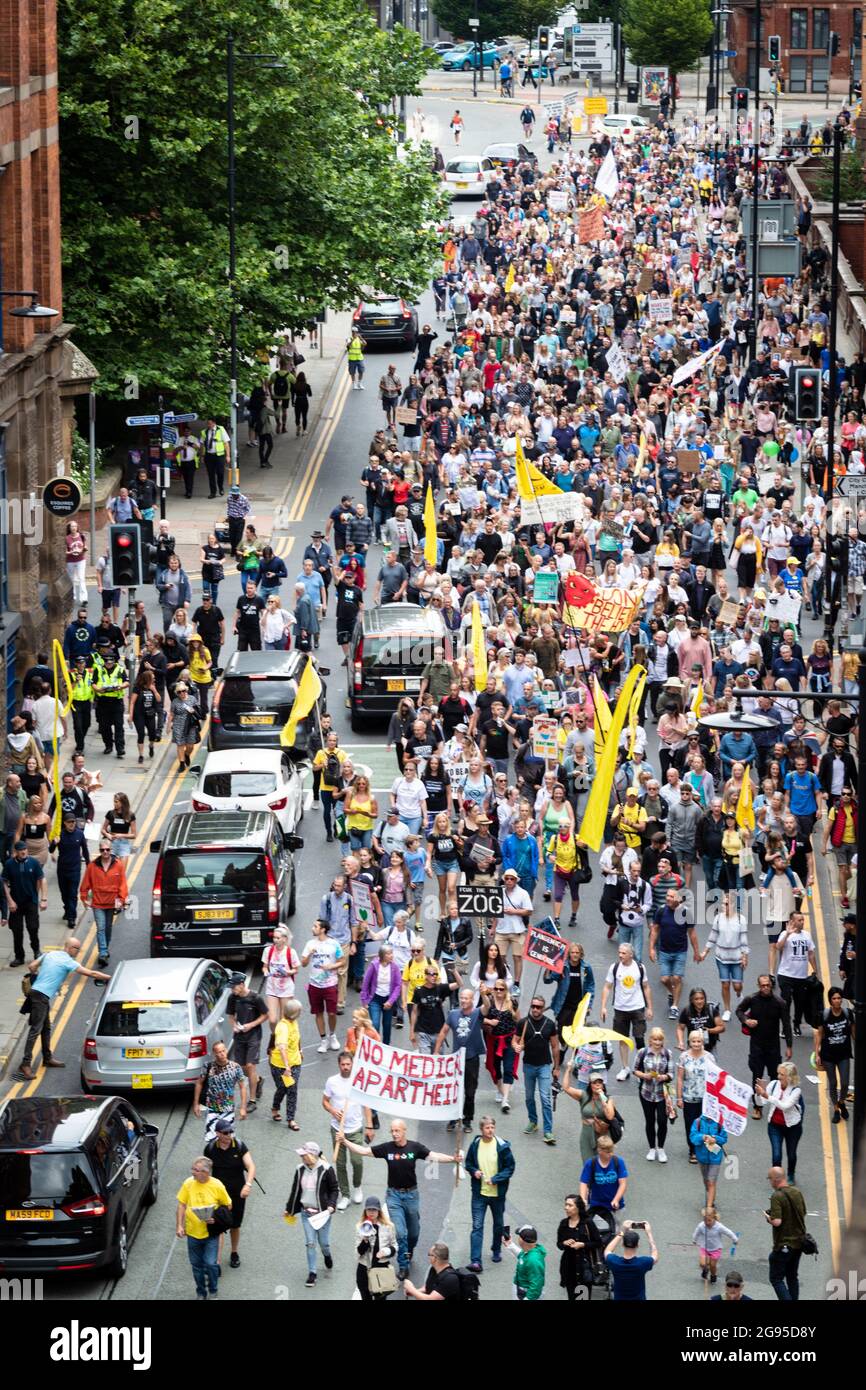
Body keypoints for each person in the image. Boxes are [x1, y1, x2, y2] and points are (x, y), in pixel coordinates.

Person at [341, 1119, 462, 1279]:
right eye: (392, 1131)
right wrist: (344, 1141)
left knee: (413, 1233)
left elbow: (433, 1155)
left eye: (397, 1130)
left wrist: (453, 1159)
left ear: (404, 1131)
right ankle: (403, 1266)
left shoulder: (414, 1147)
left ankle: (408, 1250)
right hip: (394, 1196)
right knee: (400, 1232)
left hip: (411, 1196)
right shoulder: (387, 1148)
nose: (394, 1133)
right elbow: (364, 1151)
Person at [16, 938, 109, 1080]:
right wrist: (111, 978)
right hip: (41, 997)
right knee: (35, 1030)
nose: (78, 952)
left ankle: (47, 1058)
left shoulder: (50, 954)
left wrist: (38, 978)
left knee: (46, 1028)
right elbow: (92, 974)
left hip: (39, 995)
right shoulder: (68, 962)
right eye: (77, 949)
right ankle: (25, 1064)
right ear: (70, 948)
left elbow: (32, 966)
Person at [322, 1050, 375, 1209]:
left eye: (348, 1064)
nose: (345, 1067)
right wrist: (332, 1110)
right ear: (339, 1065)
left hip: (355, 1129)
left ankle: (357, 1186)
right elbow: (324, 1101)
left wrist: (369, 1126)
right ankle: (345, 1195)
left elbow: (366, 1105)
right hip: (337, 1129)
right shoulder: (332, 1081)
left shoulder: (358, 1081)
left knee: (357, 1160)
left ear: (352, 1064)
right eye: (343, 1064)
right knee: (340, 1163)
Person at [434, 986, 491, 1133]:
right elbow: (443, 1032)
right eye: (462, 998)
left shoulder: (478, 1013)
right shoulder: (453, 1014)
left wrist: (484, 994)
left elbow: (487, 1006)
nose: (463, 1000)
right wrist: (436, 1052)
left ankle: (467, 1120)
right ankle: (453, 1119)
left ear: (472, 1000)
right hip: (456, 1060)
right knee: (454, 1091)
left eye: (466, 998)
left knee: (470, 1092)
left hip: (472, 1059)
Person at [176, 1155, 232, 1301]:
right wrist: (180, 1225)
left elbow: (228, 1205)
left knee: (210, 1263)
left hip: (210, 1234)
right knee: (196, 1266)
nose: (193, 1172)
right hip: (193, 1234)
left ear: (206, 1172)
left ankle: (213, 1290)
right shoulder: (188, 1183)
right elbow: (182, 1204)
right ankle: (201, 1292)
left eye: (196, 1170)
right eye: (193, 1169)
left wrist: (216, 1218)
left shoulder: (217, 1185)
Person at [464, 1115, 515, 1273]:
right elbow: (469, 1164)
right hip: (479, 1193)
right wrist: (475, 1172)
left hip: (497, 1194)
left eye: (492, 1127)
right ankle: (476, 1261)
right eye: (487, 1127)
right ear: (481, 1129)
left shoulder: (502, 1146)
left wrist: (496, 1179)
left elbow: (510, 1167)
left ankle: (496, 1249)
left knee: (498, 1224)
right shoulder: (475, 1144)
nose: (490, 1130)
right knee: (477, 1226)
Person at [737, 975, 793, 1118]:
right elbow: (739, 1011)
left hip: (773, 1046)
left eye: (768, 985)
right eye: (763, 985)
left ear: (771, 985)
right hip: (757, 1045)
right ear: (758, 985)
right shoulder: (752, 999)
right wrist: (746, 1021)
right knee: (757, 1076)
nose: (765, 988)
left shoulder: (779, 1003)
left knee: (776, 1076)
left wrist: (789, 1046)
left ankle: (776, 1105)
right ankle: (757, 1107)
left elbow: (786, 1024)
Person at [203, 1118, 256, 1270]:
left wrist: (248, 1185)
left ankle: (234, 1252)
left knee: (235, 1225)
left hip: (237, 1193)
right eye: (226, 1133)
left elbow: (251, 1166)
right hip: (217, 1194)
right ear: (218, 1133)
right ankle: (216, 1261)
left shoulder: (239, 1146)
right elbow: (205, 1170)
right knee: (218, 1226)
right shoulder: (211, 1148)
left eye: (231, 1131)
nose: (229, 1135)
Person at [286, 1141, 339, 1288]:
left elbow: (334, 1189)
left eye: (304, 1154)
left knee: (324, 1243)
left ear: (312, 1155)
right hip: (306, 1213)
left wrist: (331, 1206)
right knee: (310, 1243)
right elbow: (295, 1190)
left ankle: (327, 1255)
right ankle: (312, 1273)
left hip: (322, 1214)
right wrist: (289, 1209)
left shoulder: (326, 1169)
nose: (301, 1157)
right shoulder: (299, 1169)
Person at [600, 943, 653, 1082]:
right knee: (622, 1039)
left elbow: (646, 987)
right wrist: (603, 1006)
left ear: (631, 954)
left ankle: (640, 1069)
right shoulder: (615, 968)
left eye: (623, 953)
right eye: (619, 952)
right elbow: (607, 986)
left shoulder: (640, 968)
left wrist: (649, 1007)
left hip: (637, 1007)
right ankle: (625, 1068)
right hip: (620, 1008)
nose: (620, 955)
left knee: (639, 1038)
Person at [513, 993, 560, 1144]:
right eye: (533, 1006)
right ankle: (533, 1121)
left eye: (538, 1007)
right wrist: (516, 1046)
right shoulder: (523, 1023)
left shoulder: (550, 1024)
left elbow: (555, 1046)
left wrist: (556, 1067)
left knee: (545, 1098)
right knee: (528, 1097)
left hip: (544, 1066)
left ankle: (548, 1131)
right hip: (528, 1066)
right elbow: (514, 1041)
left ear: (543, 1008)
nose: (535, 1009)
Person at [79, 835, 131, 966]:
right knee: (101, 928)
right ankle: (103, 953)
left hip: (111, 903)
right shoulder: (92, 866)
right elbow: (85, 884)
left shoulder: (118, 865)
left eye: (107, 849)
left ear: (111, 849)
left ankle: (105, 949)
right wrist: (84, 898)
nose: (105, 852)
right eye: (102, 850)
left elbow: (122, 884)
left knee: (108, 928)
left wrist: (121, 899)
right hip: (98, 903)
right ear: (100, 851)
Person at [227, 972, 268, 1111]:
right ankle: (257, 1080)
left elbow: (265, 1015)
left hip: (254, 1036)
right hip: (239, 1036)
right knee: (241, 1067)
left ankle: (252, 1101)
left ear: (242, 985)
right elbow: (231, 1015)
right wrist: (234, 1026)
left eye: (234, 987)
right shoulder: (233, 998)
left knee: (250, 1066)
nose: (232, 990)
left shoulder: (255, 998)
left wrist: (251, 1025)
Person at [755, 1062, 804, 1182]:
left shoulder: (796, 1091)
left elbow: (785, 1106)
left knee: (791, 1155)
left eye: (782, 1074)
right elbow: (761, 1102)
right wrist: (758, 1094)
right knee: (776, 1155)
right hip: (774, 1126)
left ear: (790, 1077)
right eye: (779, 1073)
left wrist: (766, 1095)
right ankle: (777, 1180)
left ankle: (791, 1174)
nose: (779, 1077)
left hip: (792, 1127)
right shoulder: (773, 1085)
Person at [301, 919, 344, 1054]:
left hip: (330, 984)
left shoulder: (334, 944)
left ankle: (332, 1035)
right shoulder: (310, 944)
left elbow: (342, 961)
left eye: (315, 926)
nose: (312, 928)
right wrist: (309, 954)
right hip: (314, 985)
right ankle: (323, 1039)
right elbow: (303, 963)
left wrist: (332, 966)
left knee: (331, 1012)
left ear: (323, 929)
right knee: (318, 1012)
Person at [3, 838, 48, 965]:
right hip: (16, 903)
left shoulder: (34, 863)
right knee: (17, 931)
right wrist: (10, 901)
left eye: (25, 849)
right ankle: (19, 956)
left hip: (30, 902)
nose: (23, 852)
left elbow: (41, 879)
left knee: (33, 928)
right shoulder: (9, 864)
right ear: (15, 852)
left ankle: (36, 951)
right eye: (20, 850)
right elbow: (4, 883)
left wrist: (43, 899)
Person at [765, 1166, 807, 1301]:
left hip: (784, 1244)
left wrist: (768, 1217)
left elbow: (777, 1221)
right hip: (799, 1243)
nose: (769, 1182)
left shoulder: (777, 1196)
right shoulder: (797, 1192)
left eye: (770, 1179)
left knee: (776, 1279)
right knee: (792, 1276)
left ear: (776, 1180)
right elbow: (803, 1212)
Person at [632, 1027, 673, 1162]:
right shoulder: (642, 1052)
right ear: (650, 1040)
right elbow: (635, 1070)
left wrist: (664, 1077)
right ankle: (651, 1148)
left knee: (662, 1121)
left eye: (660, 1039)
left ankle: (661, 1148)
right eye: (655, 1039)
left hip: (662, 1093)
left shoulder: (667, 1053)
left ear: (663, 1041)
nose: (657, 1042)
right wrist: (644, 1075)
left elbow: (671, 1073)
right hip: (646, 1091)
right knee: (650, 1121)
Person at [814, 985, 854, 1124]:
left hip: (844, 1054)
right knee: (833, 1083)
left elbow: (854, 1034)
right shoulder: (824, 1015)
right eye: (834, 998)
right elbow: (819, 1034)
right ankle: (836, 1109)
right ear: (830, 1000)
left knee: (844, 1083)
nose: (837, 1001)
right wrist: (817, 1053)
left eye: (839, 998)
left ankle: (841, 1101)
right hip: (828, 1055)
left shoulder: (848, 1013)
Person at [193, 1040, 249, 1137]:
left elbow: (242, 1087)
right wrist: (196, 1103)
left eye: (224, 1051)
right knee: (211, 1138)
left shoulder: (235, 1067)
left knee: (227, 1139)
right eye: (219, 1052)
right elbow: (199, 1083)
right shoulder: (208, 1066)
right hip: (211, 1108)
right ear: (215, 1054)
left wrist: (243, 1108)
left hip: (228, 1109)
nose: (222, 1054)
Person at [557, 1193, 602, 1301]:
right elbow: (559, 1244)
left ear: (578, 1208)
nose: (566, 1208)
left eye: (569, 1205)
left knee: (583, 1298)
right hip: (568, 1268)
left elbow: (598, 1242)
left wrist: (583, 1245)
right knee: (572, 1297)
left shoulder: (587, 1223)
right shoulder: (563, 1224)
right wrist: (564, 1243)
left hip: (583, 1268)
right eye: (566, 1205)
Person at [355, 1197, 398, 1301]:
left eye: (374, 1210)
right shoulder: (360, 1227)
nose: (371, 1212)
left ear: (379, 1211)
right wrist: (365, 1240)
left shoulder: (388, 1226)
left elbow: (395, 1245)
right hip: (364, 1269)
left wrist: (386, 1251)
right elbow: (358, 1252)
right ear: (365, 1211)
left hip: (382, 1268)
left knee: (381, 1298)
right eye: (369, 1209)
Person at [604, 1220, 658, 1301]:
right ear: (637, 1245)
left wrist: (622, 1232)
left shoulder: (614, 1262)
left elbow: (607, 1250)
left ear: (622, 1244)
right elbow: (655, 1256)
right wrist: (649, 1233)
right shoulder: (643, 1263)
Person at [269, 997, 303, 1128]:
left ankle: (290, 1119)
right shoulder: (282, 1027)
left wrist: (300, 1049)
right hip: (280, 1065)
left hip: (295, 1062)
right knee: (282, 1088)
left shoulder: (294, 1022)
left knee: (292, 1090)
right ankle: (275, 1107)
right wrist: (287, 1067)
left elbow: (297, 1037)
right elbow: (282, 1047)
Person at [579, 1134, 628, 1214]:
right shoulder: (591, 1163)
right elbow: (583, 1183)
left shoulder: (618, 1162)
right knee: (598, 1226)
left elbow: (623, 1183)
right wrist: (583, 1198)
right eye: (608, 1152)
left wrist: (616, 1199)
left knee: (617, 1226)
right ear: (599, 1150)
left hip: (615, 1205)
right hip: (596, 1205)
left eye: (612, 1151)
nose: (611, 1154)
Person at [513, 1225, 546, 1301]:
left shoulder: (533, 1260)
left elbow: (536, 1284)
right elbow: (522, 1256)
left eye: (519, 1236)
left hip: (526, 1293)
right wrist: (510, 1245)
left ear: (522, 1240)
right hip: (521, 1289)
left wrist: (528, 1298)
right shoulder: (529, 1251)